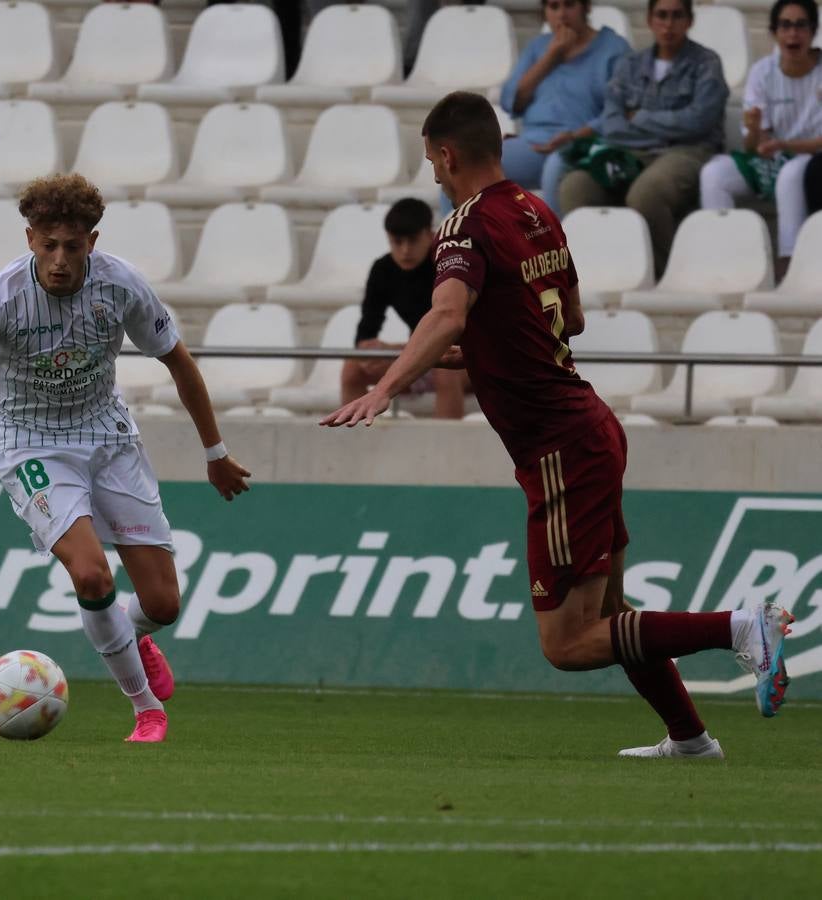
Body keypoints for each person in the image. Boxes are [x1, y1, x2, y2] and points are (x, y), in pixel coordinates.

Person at [321, 91, 794, 758]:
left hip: (558, 448)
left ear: (448, 155)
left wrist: (389, 386)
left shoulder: (463, 226)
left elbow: (450, 314)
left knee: (567, 644)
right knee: (611, 615)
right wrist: (487, 351)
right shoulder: (535, 208)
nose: (431, 172)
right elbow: (568, 318)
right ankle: (690, 738)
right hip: (588, 423)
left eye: (431, 159)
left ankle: (744, 629)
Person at [0, 173, 252, 744]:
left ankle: (136, 637)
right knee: (90, 573)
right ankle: (146, 711)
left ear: (93, 241)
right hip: (31, 444)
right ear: (31, 238)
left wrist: (216, 452)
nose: (60, 260)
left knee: (161, 603)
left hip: (109, 439)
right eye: (49, 245)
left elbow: (178, 362)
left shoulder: (122, 286)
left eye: (73, 247)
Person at [558, 0, 729, 277]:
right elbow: (612, 125)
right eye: (662, 15)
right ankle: (595, 273)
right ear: (649, 20)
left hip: (686, 151)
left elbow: (699, 122)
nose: (668, 24)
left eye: (676, 16)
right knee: (575, 186)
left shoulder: (706, 63)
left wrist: (638, 118)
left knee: (647, 193)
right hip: (629, 152)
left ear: (689, 21)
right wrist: (663, 124)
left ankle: (663, 275)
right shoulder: (630, 65)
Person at [699, 0, 822, 274]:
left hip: (809, 159)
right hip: (771, 157)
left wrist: (784, 145)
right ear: (774, 33)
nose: (793, 34)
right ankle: (723, 260)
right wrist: (755, 131)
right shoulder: (762, 72)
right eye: (785, 25)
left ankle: (790, 262)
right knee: (714, 174)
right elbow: (752, 146)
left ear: (813, 31)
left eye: (801, 25)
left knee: (791, 173)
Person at [340, 198, 466, 418]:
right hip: (426, 354)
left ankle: (448, 449)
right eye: (397, 242)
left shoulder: (450, 263)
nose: (405, 250)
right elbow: (366, 332)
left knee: (444, 372)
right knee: (353, 368)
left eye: (412, 240)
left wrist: (403, 351)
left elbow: (455, 330)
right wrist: (374, 356)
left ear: (430, 234)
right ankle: (357, 443)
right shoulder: (383, 270)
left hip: (468, 355)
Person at [498, 0, 630, 211]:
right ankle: (455, 241)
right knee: (466, 163)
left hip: (583, 142)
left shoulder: (614, 48)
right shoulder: (538, 47)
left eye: (569, 5)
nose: (561, 14)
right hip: (534, 143)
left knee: (556, 167)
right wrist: (551, 56)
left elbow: (619, 112)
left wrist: (576, 137)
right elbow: (510, 101)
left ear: (586, 7)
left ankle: (554, 243)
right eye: (554, 6)